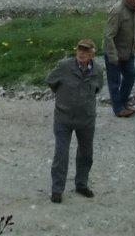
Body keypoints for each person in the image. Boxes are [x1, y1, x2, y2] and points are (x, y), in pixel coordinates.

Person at [44, 37, 100, 203]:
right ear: (76, 51)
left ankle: (81, 185)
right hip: (64, 118)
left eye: (86, 51)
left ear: (92, 54)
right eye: (80, 50)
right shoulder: (64, 66)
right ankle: (57, 190)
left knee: (86, 154)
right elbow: (50, 81)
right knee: (61, 154)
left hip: (86, 119)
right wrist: (63, 99)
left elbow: (98, 87)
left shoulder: (97, 70)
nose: (82, 53)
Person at [103, 0, 135, 117]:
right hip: (114, 52)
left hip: (128, 51)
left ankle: (123, 99)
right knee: (114, 82)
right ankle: (118, 109)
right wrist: (113, 56)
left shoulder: (134, 10)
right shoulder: (118, 11)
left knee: (131, 75)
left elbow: (133, 29)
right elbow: (109, 35)